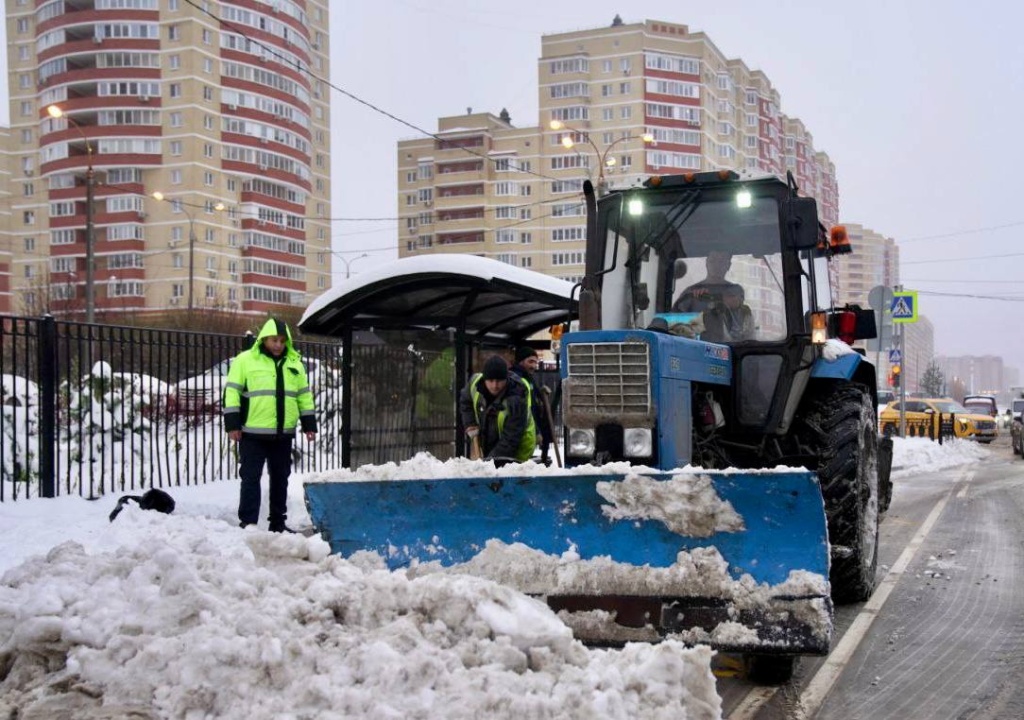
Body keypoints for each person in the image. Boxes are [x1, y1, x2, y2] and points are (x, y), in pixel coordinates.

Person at [224, 318, 317, 532]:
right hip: (251, 433)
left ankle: (278, 523)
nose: (278, 345)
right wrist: (233, 425)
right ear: (264, 338)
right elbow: (232, 392)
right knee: (250, 478)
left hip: (283, 434)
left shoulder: (295, 363)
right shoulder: (245, 360)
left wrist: (309, 424)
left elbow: (304, 396)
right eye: (274, 340)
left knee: (280, 479)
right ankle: (248, 523)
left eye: (282, 341)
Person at [459, 355, 536, 464]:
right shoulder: (474, 384)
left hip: (518, 452)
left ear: (506, 379)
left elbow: (510, 441)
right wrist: (470, 423)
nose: (495, 385)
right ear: (484, 379)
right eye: (490, 380)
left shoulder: (517, 399)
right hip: (489, 443)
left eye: (499, 381)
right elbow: (465, 401)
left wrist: (488, 465)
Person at [511, 346, 554, 464]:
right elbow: (525, 410)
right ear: (520, 361)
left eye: (536, 362)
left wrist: (540, 393)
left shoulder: (527, 377)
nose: (534, 366)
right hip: (522, 432)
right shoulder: (517, 380)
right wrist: (536, 432)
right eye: (530, 361)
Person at [672, 250, 745, 313]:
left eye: (721, 261)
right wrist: (693, 296)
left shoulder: (735, 290)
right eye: (713, 260)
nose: (717, 265)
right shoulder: (690, 292)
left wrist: (709, 297)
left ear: (728, 265)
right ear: (707, 263)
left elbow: (736, 305)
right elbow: (675, 320)